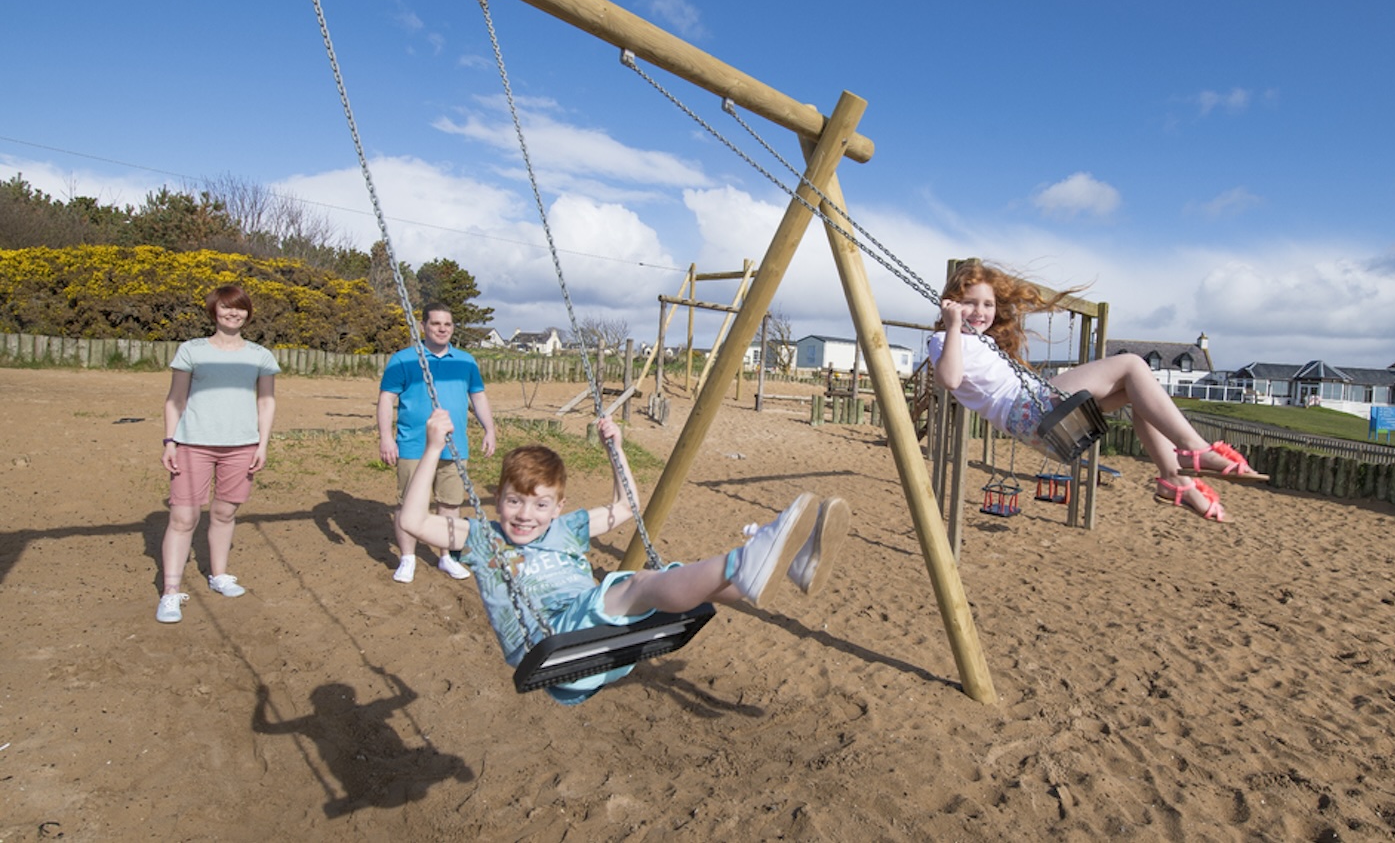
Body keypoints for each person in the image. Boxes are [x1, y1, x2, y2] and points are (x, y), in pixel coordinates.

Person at [399, 408, 851, 704]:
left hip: (601, 642)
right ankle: (747, 561)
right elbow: (414, 522)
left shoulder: (567, 528)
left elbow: (625, 507)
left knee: (670, 584)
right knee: (635, 584)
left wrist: (615, 449)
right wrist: (435, 446)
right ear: (497, 498)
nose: (524, 515)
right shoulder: (484, 537)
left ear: (558, 507)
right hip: (551, 646)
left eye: (540, 505)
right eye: (515, 501)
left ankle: (788, 563)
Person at [929, 261, 1266, 524]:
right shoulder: (945, 340)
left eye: (988, 304)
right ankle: (1195, 449)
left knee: (1137, 392)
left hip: (1034, 409)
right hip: (1027, 410)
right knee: (1132, 364)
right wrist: (954, 325)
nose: (981, 312)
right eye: (969, 303)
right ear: (951, 305)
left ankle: (1174, 480)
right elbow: (950, 380)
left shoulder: (983, 341)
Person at [156, 284, 280, 623]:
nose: (233, 313)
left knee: (225, 513)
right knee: (183, 518)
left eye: (239, 308)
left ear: (248, 313)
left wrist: (262, 444)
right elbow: (175, 399)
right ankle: (170, 591)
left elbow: (266, 402)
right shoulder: (192, 351)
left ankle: (218, 574)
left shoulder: (260, 356)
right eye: (226, 307)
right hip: (193, 445)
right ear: (214, 311)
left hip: (241, 447)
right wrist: (170, 441)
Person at [378, 303, 496, 583]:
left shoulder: (466, 361)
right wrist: (385, 437)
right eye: (436, 324)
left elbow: (478, 396)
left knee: (450, 503)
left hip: (454, 446)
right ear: (423, 327)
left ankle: (445, 556)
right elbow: (386, 399)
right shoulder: (403, 359)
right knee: (408, 503)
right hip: (413, 444)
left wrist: (489, 428)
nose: (442, 329)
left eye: (448, 324)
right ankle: (407, 558)